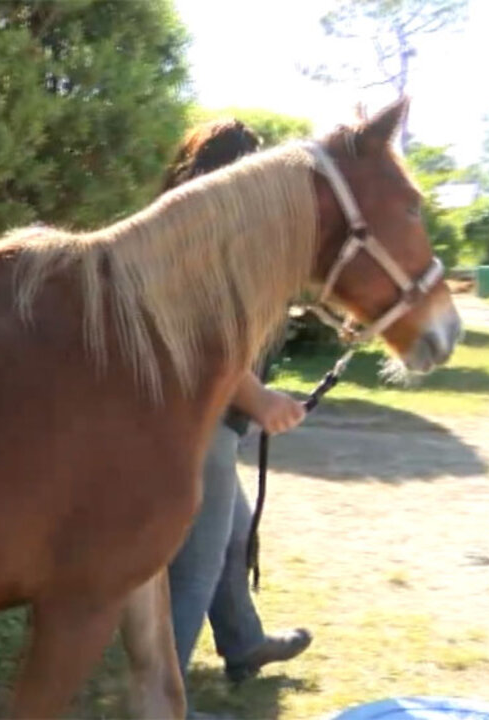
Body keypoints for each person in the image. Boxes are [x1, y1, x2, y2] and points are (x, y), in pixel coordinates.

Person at [158, 120, 313, 693]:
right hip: (200, 424)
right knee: (194, 565)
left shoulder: (185, 225)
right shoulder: (207, 234)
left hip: (194, 422)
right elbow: (205, 337)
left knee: (231, 535)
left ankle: (243, 640)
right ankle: (161, 696)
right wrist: (260, 397)